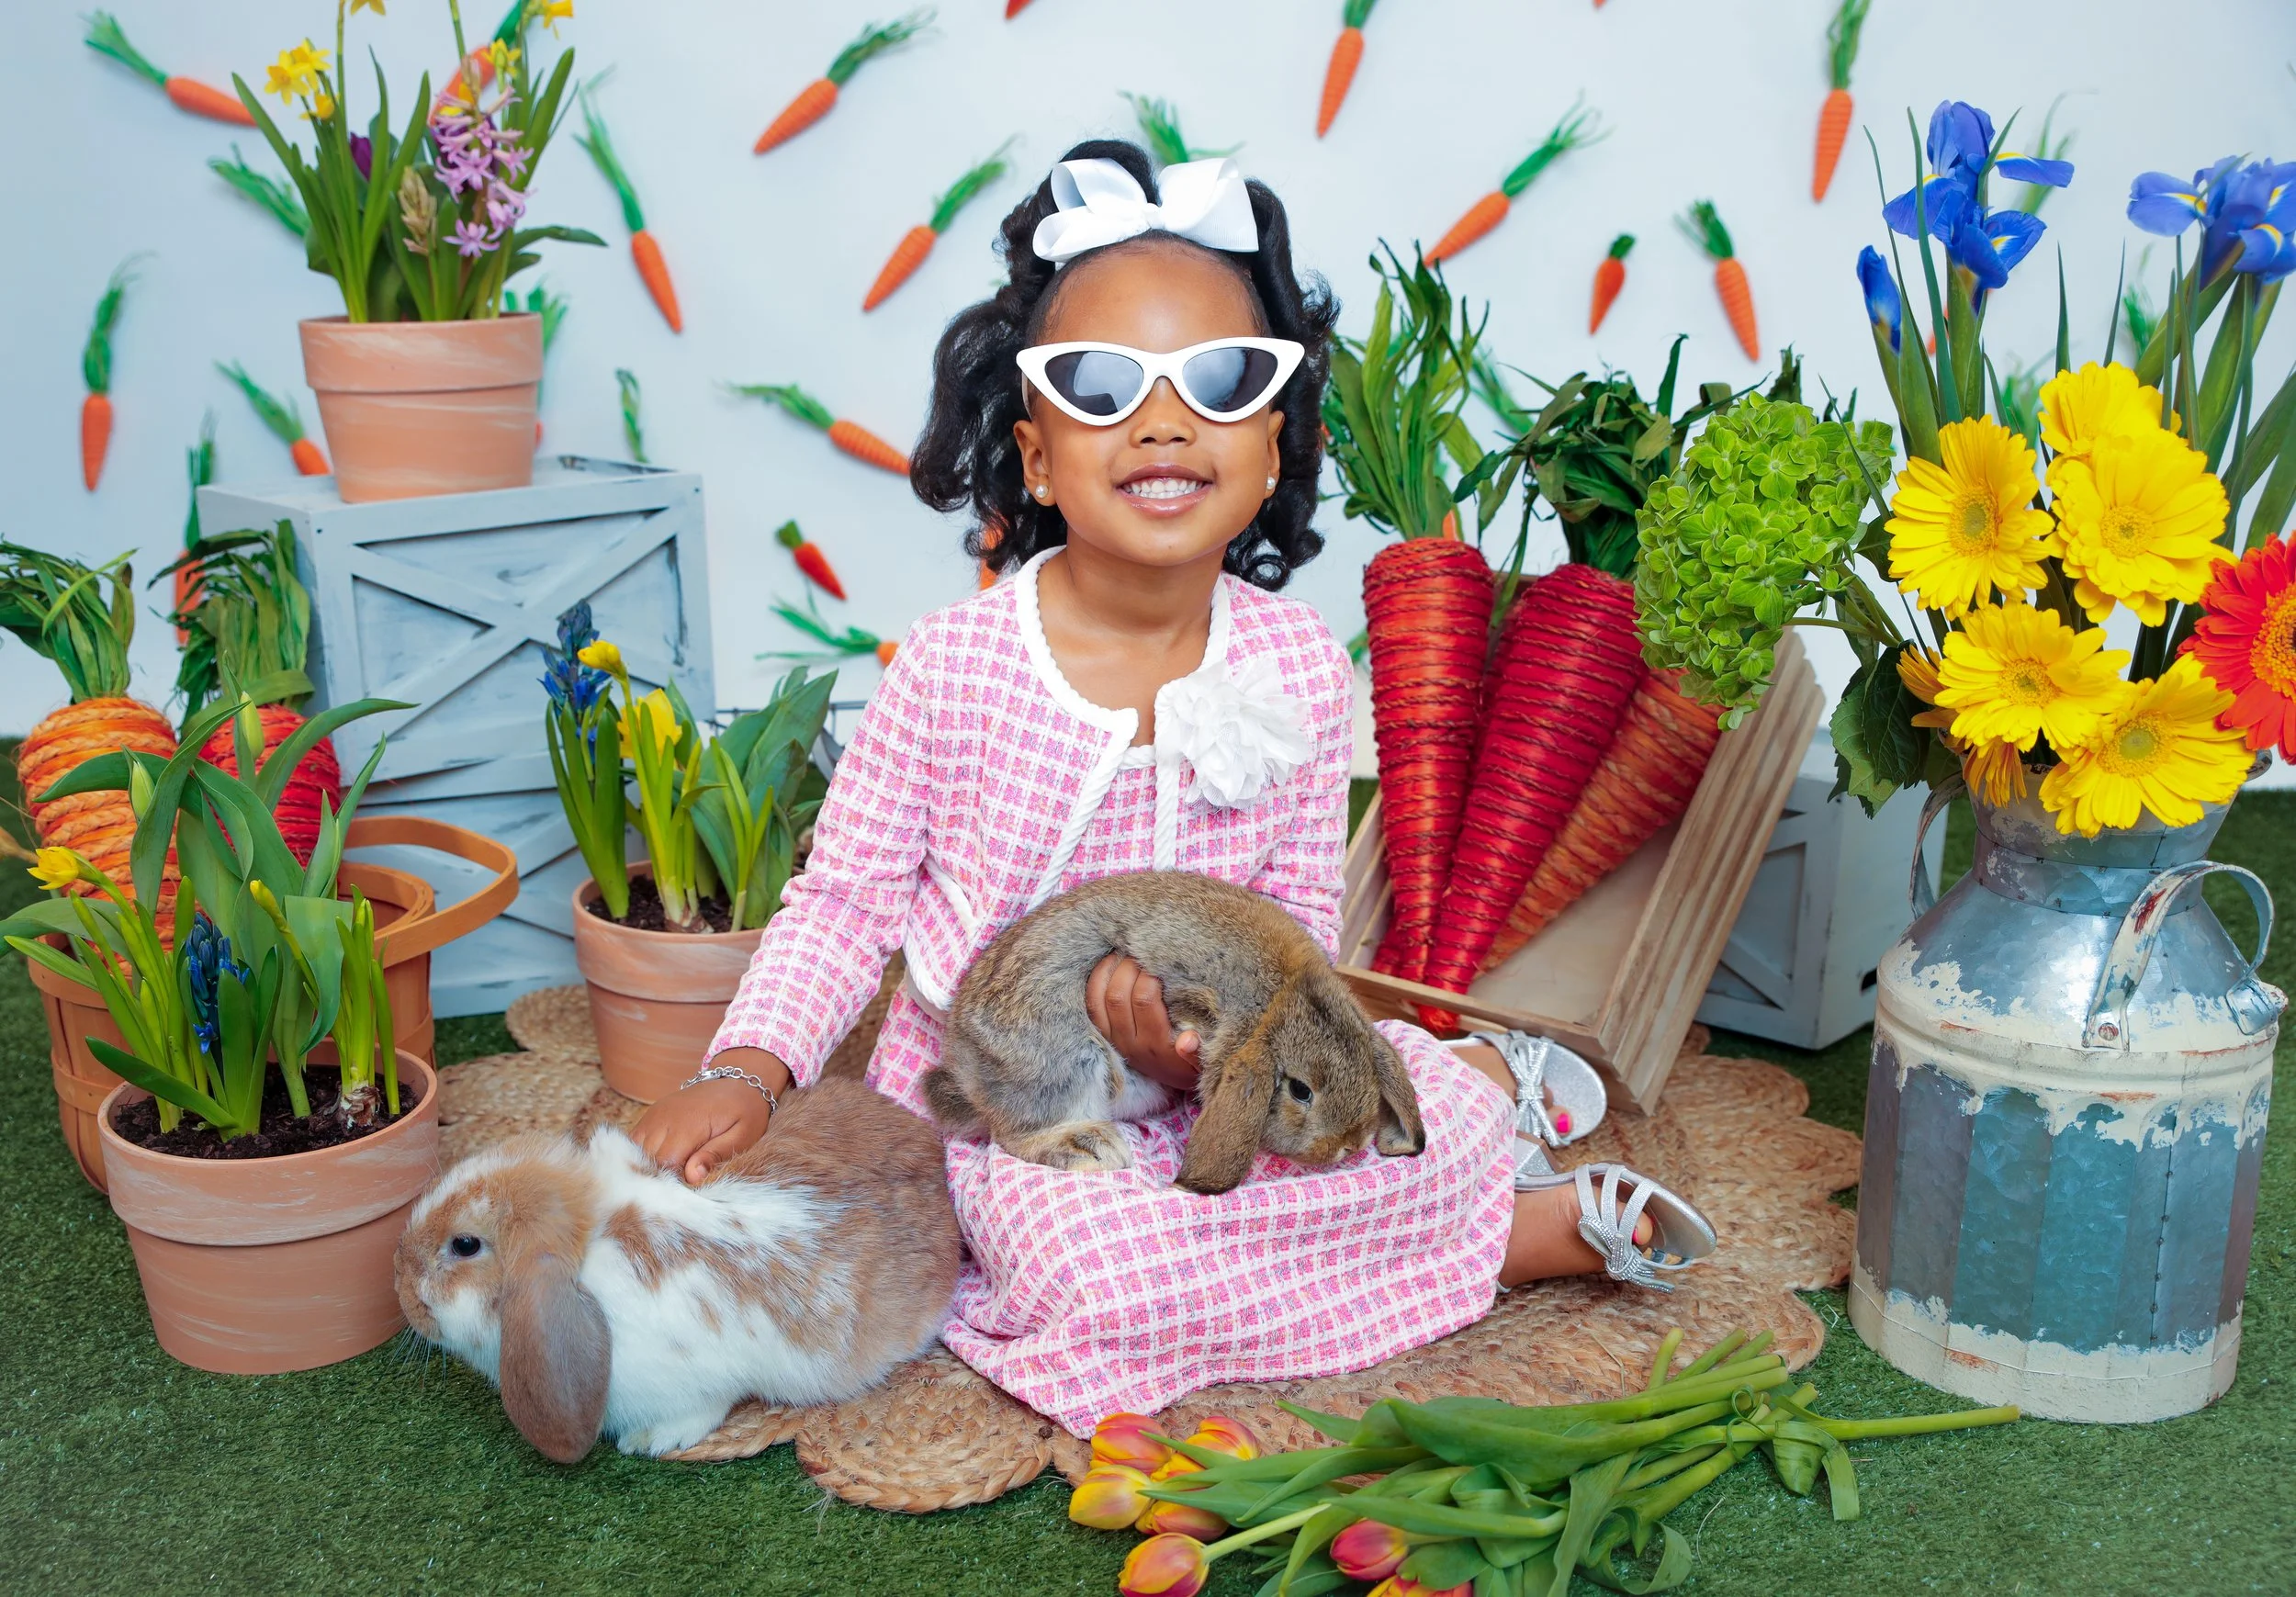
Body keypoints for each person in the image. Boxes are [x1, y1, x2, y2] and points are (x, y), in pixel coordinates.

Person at [635, 141, 1713, 1435]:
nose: (1159, 422)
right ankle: (1507, 1238)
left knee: (1405, 1137)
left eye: (1217, 380)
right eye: (1099, 387)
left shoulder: (1300, 666)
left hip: (1226, 1097)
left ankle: (1491, 1119)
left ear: (1271, 447)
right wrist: (747, 1073)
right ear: (1034, 456)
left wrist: (1195, 1058)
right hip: (1017, 1118)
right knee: (1090, 1272)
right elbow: (842, 906)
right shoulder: (954, 667)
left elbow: (1295, 930)